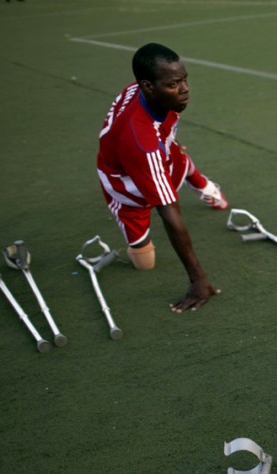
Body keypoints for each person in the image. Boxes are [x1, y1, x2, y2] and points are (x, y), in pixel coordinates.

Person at [97, 42, 226, 313]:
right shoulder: (142, 143)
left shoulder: (148, 92)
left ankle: (202, 183)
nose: (185, 88)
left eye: (184, 79)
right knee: (145, 263)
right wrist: (197, 279)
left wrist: (165, 144)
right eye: (174, 84)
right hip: (126, 185)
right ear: (148, 86)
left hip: (155, 151)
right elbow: (168, 212)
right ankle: (129, 210)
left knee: (175, 155)